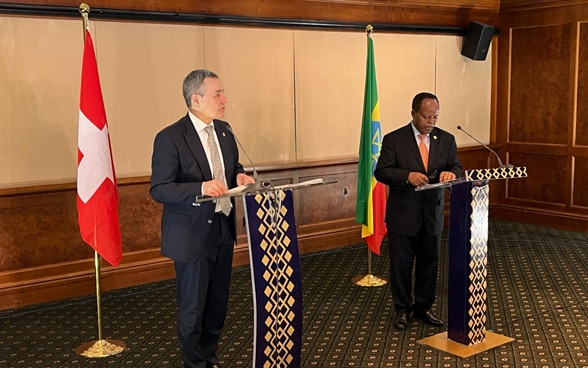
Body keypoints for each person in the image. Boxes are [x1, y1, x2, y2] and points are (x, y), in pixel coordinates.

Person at [150, 69, 256, 368]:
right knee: (193, 307)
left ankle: (209, 356)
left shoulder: (224, 130)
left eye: (223, 93)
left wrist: (240, 174)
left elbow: (232, 166)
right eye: (217, 94)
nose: (225, 99)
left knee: (217, 303)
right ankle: (194, 363)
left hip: (222, 227)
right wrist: (200, 187)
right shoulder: (170, 137)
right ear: (196, 99)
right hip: (191, 235)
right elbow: (159, 188)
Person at [374, 92, 463, 331]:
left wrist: (450, 173)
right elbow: (381, 172)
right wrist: (406, 176)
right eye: (426, 117)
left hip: (431, 215)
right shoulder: (395, 139)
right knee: (401, 266)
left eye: (435, 116)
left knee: (428, 264)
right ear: (414, 113)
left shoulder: (446, 139)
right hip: (403, 215)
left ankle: (423, 307)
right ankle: (402, 309)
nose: (431, 121)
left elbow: (455, 165)